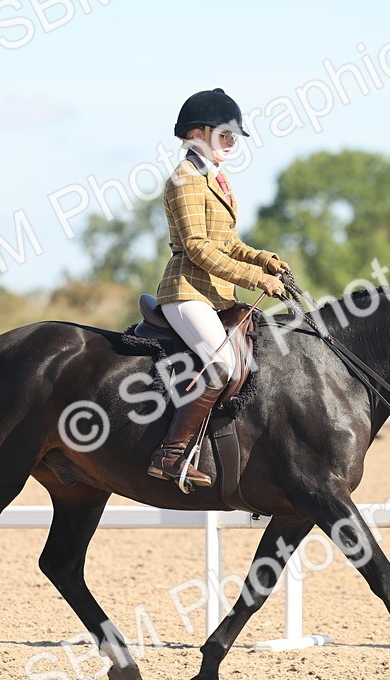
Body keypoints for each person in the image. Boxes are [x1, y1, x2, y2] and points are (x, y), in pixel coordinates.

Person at [148, 88, 288, 487]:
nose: (231, 142)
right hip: (186, 291)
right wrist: (254, 279)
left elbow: (227, 243)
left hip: (214, 293)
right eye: (224, 134)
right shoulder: (186, 179)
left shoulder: (216, 178)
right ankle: (170, 454)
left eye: (233, 136)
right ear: (197, 132)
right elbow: (197, 247)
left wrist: (263, 259)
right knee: (222, 364)